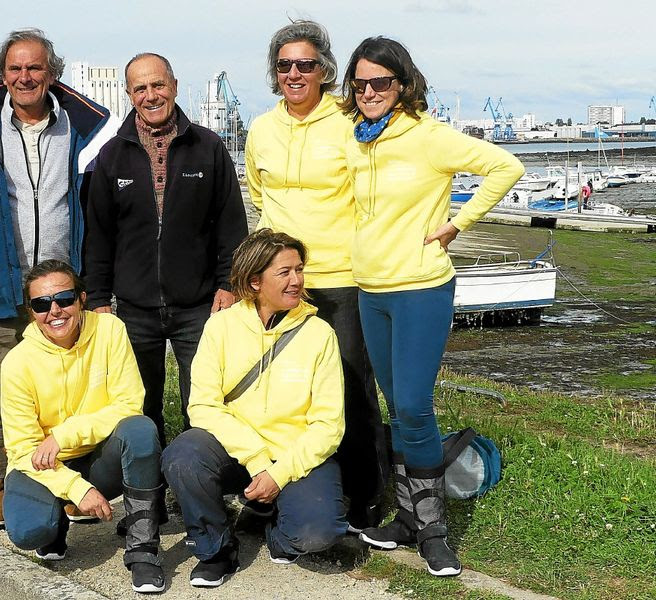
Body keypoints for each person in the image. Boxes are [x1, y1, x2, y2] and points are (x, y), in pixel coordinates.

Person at [338, 36, 524, 577]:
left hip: (421, 288)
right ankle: (405, 518)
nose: (370, 91)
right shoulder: (358, 141)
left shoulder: (429, 137)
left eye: (382, 82)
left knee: (415, 406)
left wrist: (458, 225)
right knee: (397, 406)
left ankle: (433, 527)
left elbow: (505, 167)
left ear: (402, 85)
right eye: (362, 82)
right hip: (370, 289)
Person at [0, 28, 118, 530]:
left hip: (62, 289)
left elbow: (94, 201)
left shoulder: (82, 130)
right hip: (0, 284)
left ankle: (70, 481)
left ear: (52, 74)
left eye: (35, 68)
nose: (25, 77)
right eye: (16, 69)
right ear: (2, 75)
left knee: (69, 390)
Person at [244, 19, 388, 531]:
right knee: (283, 390)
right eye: (284, 66)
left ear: (324, 69)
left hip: (341, 276)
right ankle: (288, 489)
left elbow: (378, 188)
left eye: (305, 64)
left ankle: (365, 497)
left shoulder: (350, 121)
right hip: (280, 281)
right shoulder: (261, 128)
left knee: (350, 386)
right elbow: (259, 195)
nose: (295, 73)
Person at [162, 229, 347, 588]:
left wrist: (278, 474)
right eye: (284, 272)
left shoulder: (319, 333)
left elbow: (329, 426)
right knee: (182, 456)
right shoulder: (221, 326)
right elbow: (202, 405)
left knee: (317, 534)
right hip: (237, 450)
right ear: (254, 281)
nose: (297, 280)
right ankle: (216, 549)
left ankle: (272, 527)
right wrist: (258, 460)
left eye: (299, 269)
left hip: (293, 456)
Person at [85, 52, 247, 448]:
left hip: (199, 305)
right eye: (140, 88)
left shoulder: (207, 148)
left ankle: (199, 490)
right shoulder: (112, 155)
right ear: (129, 94)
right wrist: (99, 298)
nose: (151, 95)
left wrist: (229, 284)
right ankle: (149, 494)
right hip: (134, 308)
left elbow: (231, 226)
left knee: (206, 404)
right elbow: (99, 235)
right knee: (139, 406)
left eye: (158, 85)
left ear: (173, 87)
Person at [0, 260, 165, 594]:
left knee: (141, 429)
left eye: (64, 298)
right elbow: (22, 450)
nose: (55, 310)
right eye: (42, 304)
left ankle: (143, 549)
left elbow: (129, 403)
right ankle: (55, 521)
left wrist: (63, 434)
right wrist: (77, 490)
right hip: (42, 464)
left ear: (82, 298)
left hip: (100, 453)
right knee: (29, 531)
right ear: (32, 311)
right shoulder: (16, 364)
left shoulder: (110, 330)